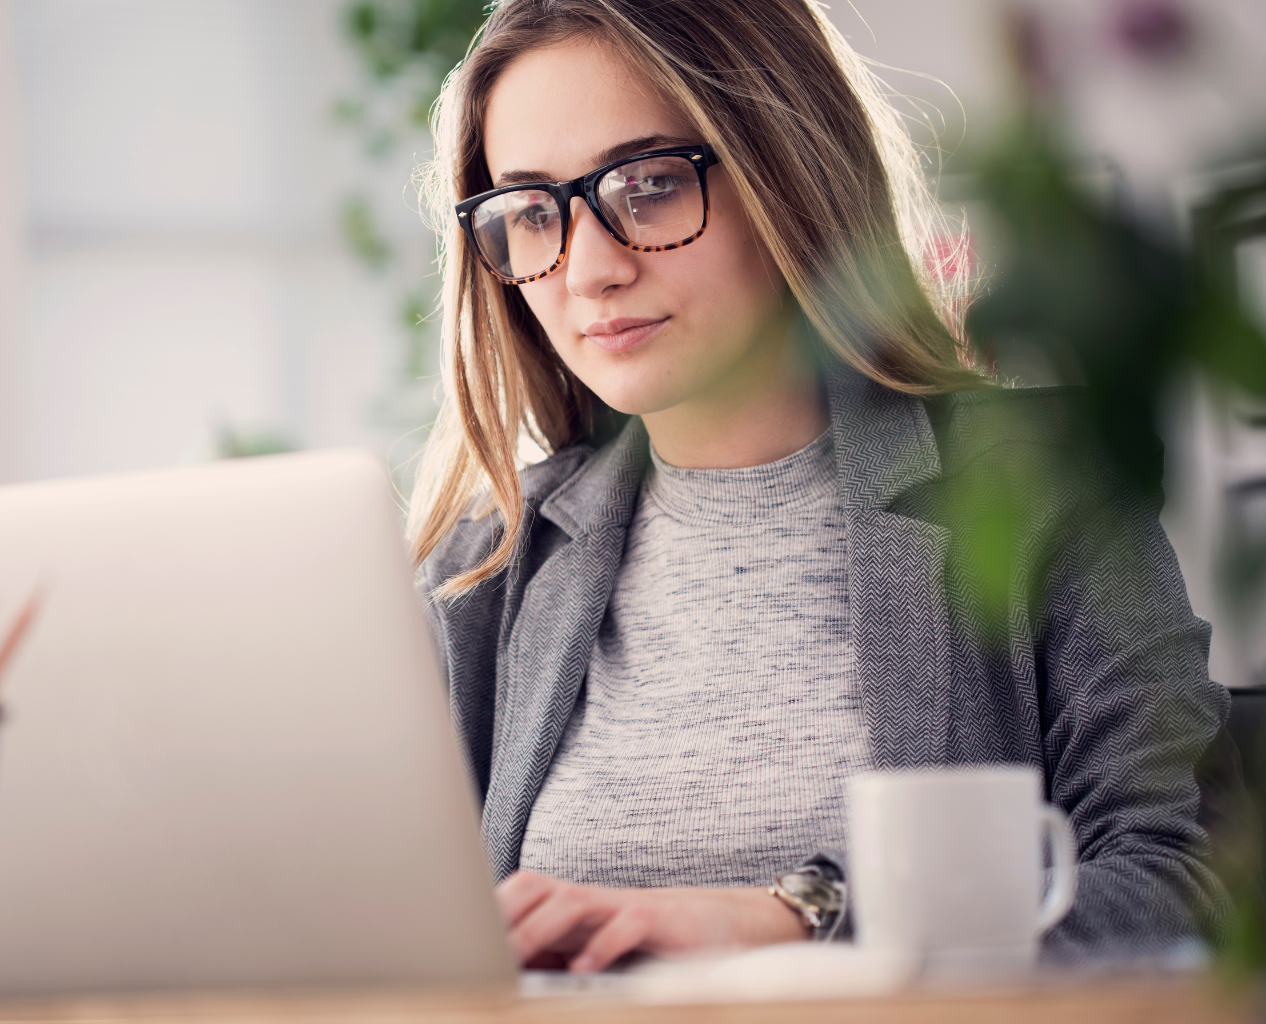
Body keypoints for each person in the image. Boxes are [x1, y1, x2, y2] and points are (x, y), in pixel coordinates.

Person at [410, 0, 1227, 974]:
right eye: (532, 212)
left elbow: (1180, 882)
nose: (588, 270)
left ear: (788, 172)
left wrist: (803, 913)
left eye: (651, 185)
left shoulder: (1039, 486)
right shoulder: (488, 564)